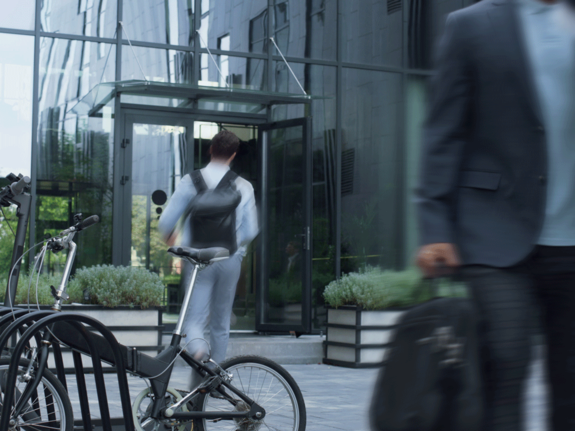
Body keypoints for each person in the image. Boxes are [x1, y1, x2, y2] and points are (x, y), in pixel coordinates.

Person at [415, 0, 575, 430]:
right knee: (507, 360)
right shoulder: (471, 25)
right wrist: (434, 225)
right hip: (494, 231)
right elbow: (443, 134)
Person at [158, 130, 258, 381]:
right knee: (221, 323)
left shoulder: (190, 181)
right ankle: (213, 378)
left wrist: (171, 236)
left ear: (210, 149)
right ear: (233, 155)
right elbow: (250, 230)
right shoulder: (243, 186)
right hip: (229, 258)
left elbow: (166, 221)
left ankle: (198, 350)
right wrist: (235, 250)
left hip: (197, 259)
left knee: (194, 319)